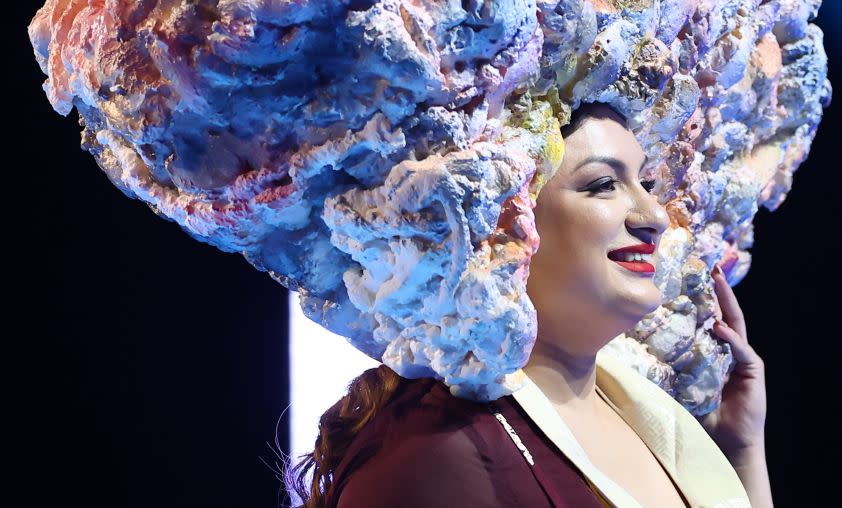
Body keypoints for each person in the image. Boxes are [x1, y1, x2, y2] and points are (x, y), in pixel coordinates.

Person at [287, 102, 773, 508]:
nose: (652, 217)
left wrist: (740, 450)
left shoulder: (650, 418)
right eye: (603, 184)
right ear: (504, 222)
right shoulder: (435, 452)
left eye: (645, 184)